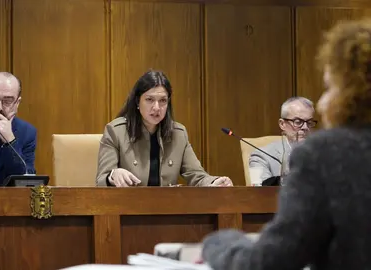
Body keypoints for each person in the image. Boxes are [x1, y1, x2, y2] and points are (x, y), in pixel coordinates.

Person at [201, 18, 371, 270]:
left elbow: (272, 261)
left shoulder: (325, 154)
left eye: (329, 87)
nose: (323, 103)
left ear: (354, 91)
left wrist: (220, 242)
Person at [96, 70, 232, 187]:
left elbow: (197, 176)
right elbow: (101, 180)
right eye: (149, 100)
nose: (156, 107)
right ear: (138, 101)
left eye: (162, 101)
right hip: (127, 211)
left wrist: (214, 182)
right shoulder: (116, 131)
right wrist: (113, 175)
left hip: (167, 211)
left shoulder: (178, 134)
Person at [248, 97, 317, 185]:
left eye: (309, 122)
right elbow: (258, 190)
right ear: (282, 124)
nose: (305, 127)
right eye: (298, 122)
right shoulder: (259, 156)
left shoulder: (321, 153)